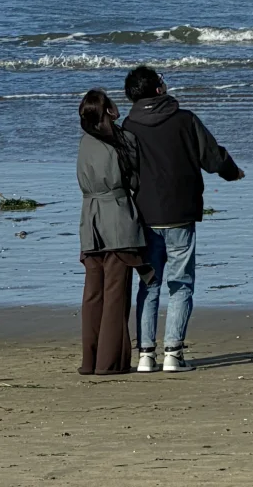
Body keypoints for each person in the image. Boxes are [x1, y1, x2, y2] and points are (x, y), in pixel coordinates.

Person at [121, 65, 244, 373]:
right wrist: (233, 172)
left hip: (146, 214)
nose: (165, 83)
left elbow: (126, 171)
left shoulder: (129, 125)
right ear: (158, 89)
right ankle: (173, 354)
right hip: (179, 212)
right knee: (181, 282)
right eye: (162, 80)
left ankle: (146, 356)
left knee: (149, 285)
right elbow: (212, 156)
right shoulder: (184, 119)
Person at [76, 87, 148, 376]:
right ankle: (109, 363)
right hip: (117, 217)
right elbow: (135, 180)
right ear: (108, 111)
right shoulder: (122, 139)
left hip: (90, 220)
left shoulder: (84, 142)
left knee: (93, 294)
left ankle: (90, 361)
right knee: (115, 294)